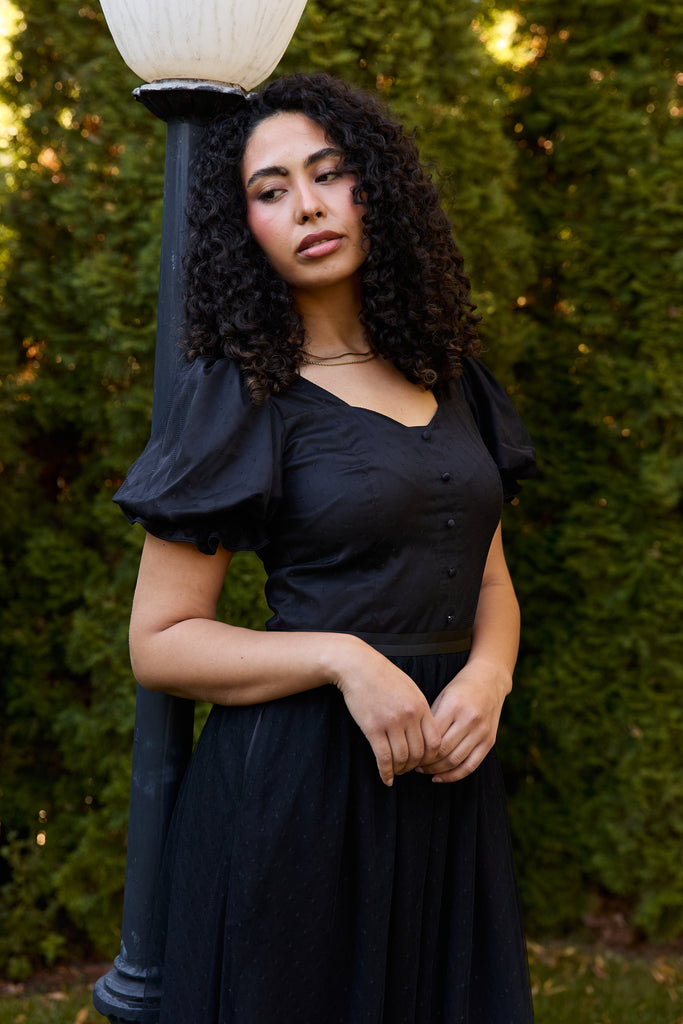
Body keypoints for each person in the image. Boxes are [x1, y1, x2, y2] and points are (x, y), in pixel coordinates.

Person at [114, 72, 536, 1024]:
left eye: (328, 172)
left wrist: (488, 677)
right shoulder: (241, 396)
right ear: (244, 230)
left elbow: (490, 581)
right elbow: (160, 640)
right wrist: (343, 659)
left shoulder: (449, 375)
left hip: (446, 781)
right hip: (298, 796)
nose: (306, 205)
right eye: (270, 191)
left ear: (374, 187)